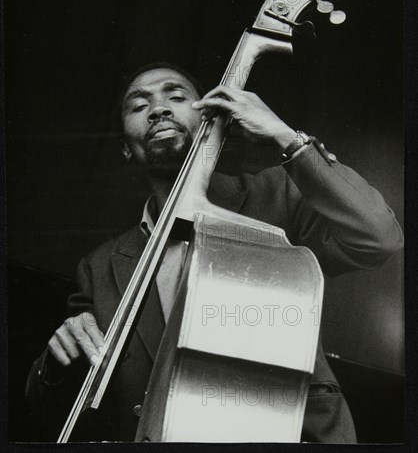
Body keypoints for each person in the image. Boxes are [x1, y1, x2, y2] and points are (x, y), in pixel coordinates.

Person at [26, 63, 403, 443]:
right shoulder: (99, 265)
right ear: (126, 148)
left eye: (176, 96)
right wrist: (59, 357)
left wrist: (286, 137)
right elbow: (50, 407)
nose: (158, 108)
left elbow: (378, 238)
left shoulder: (275, 197)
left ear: (211, 120)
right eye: (139, 106)